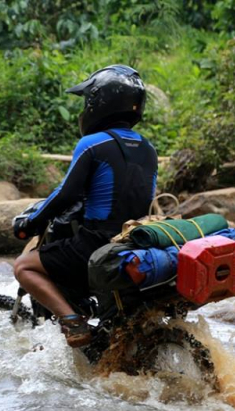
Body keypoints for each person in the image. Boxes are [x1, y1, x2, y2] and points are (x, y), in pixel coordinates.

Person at [12, 65, 158, 348]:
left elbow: (65, 194)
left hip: (96, 243)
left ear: (98, 103)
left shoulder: (92, 143)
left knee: (24, 267)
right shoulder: (148, 148)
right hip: (133, 242)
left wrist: (29, 224)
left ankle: (72, 321)